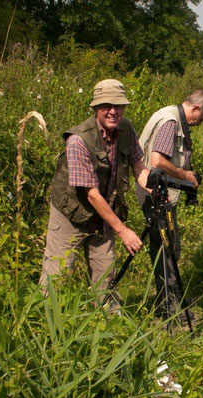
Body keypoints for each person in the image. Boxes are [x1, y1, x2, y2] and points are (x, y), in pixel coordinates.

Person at [40, 79, 150, 296]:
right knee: (57, 275)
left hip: (105, 212)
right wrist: (123, 231)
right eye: (105, 106)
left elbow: (138, 165)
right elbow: (90, 194)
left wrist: (153, 189)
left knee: (106, 272)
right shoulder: (78, 141)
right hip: (71, 213)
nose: (112, 111)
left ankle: (107, 321)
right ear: (95, 108)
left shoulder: (126, 128)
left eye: (118, 106)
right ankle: (46, 323)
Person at [135, 90, 203, 323]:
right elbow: (157, 160)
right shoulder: (171, 121)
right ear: (196, 109)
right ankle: (169, 305)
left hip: (158, 192)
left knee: (165, 247)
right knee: (167, 248)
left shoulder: (171, 117)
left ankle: (170, 297)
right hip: (155, 194)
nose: (200, 124)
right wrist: (185, 175)